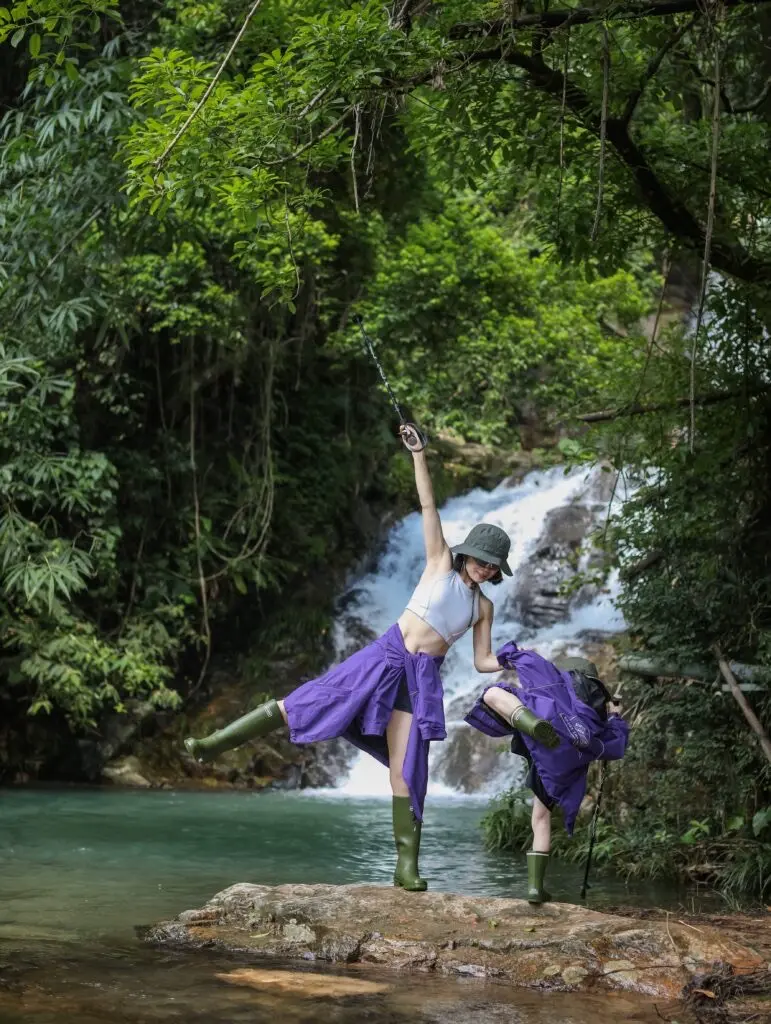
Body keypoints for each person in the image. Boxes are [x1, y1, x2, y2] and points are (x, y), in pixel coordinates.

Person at [184, 424, 514, 892]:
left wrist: (508, 661)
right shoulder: (440, 562)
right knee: (309, 700)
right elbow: (427, 506)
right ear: (466, 555)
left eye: (492, 565)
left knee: (409, 769)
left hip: (421, 679)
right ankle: (214, 743)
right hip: (387, 654)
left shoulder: (484, 606)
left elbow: (482, 660)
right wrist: (419, 455)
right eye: (480, 559)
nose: (484, 568)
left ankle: (406, 867)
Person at [465, 649, 629, 905]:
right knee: (541, 818)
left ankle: (531, 724)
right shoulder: (598, 723)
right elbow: (616, 746)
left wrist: (509, 655)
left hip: (543, 727)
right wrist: (615, 715)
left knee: (493, 693)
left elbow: (522, 657)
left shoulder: (552, 680)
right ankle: (535, 889)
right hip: (560, 766)